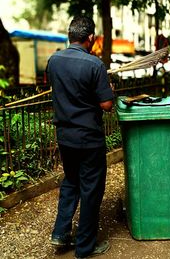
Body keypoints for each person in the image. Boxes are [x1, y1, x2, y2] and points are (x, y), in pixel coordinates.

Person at [46, 16, 114, 259]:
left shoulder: (53, 61)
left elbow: (61, 90)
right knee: (91, 190)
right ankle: (85, 248)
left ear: (69, 35)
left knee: (71, 183)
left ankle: (60, 233)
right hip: (88, 139)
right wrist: (109, 91)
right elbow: (106, 104)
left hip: (65, 137)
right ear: (91, 38)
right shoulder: (94, 65)